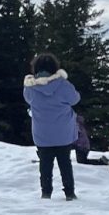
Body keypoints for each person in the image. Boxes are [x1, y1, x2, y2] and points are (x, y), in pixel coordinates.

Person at [22, 53, 80, 200]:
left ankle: (46, 193)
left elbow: (28, 100)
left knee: (45, 165)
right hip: (63, 133)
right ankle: (69, 193)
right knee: (65, 163)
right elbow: (75, 99)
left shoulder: (30, 88)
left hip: (42, 134)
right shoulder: (63, 85)